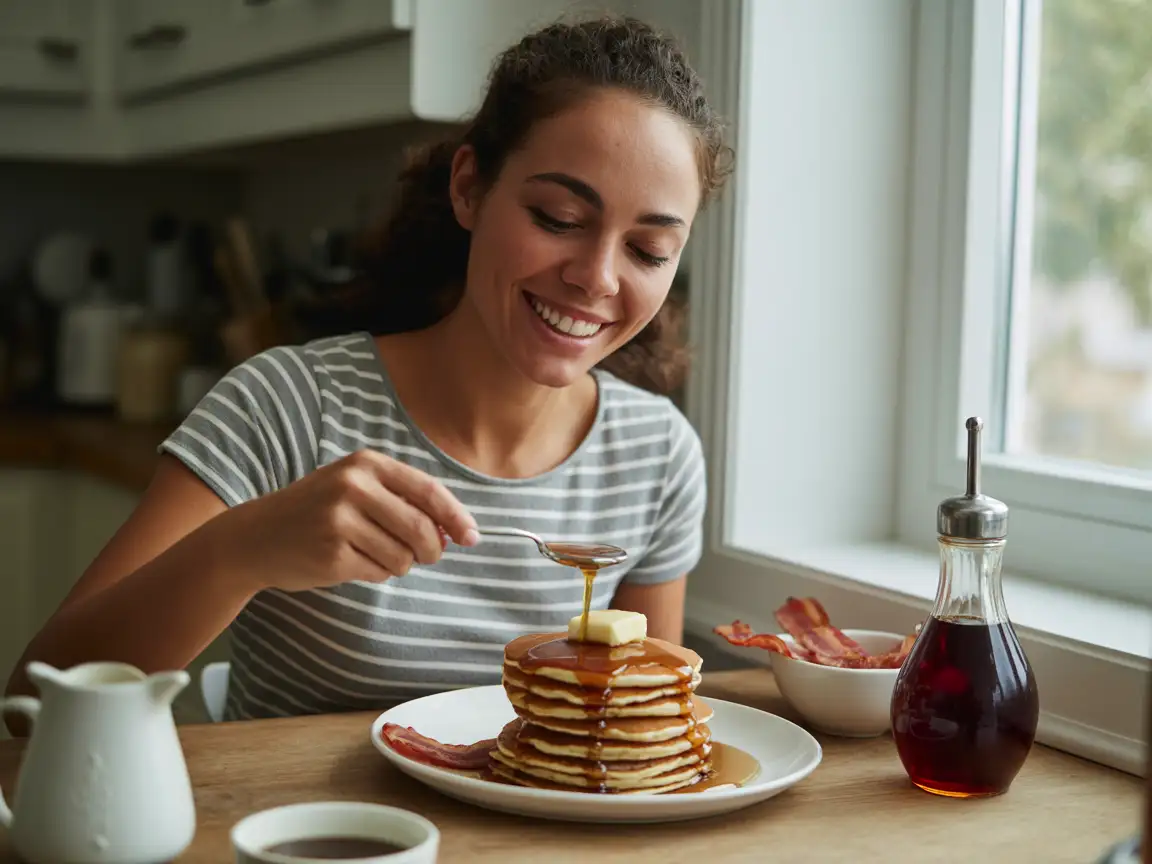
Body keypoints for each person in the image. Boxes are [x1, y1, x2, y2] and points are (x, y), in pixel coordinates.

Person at [4, 14, 732, 726]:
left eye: (647, 251)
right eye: (558, 217)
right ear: (470, 188)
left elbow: (646, 731)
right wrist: (242, 552)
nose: (597, 278)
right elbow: (34, 710)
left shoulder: (657, 456)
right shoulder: (288, 407)